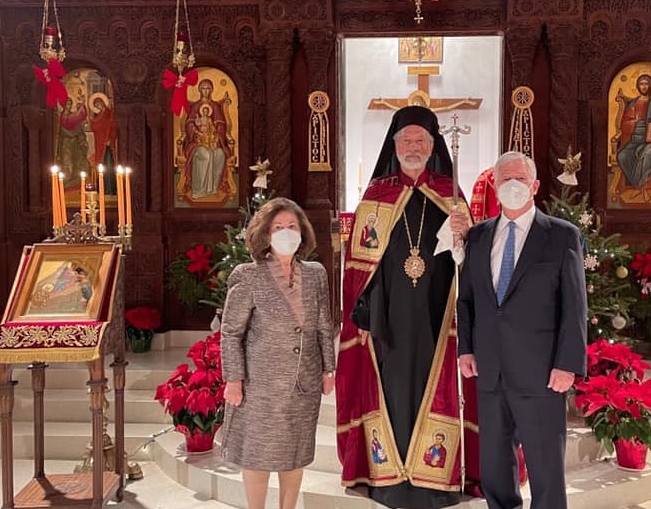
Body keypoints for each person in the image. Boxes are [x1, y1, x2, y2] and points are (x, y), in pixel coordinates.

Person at [336, 105, 475, 509]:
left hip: (438, 316)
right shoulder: (377, 196)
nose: (413, 147)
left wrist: (466, 236)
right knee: (393, 394)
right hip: (389, 319)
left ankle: (437, 482)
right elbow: (358, 268)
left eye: (420, 141)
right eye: (406, 141)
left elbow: (469, 262)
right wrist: (363, 314)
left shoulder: (451, 195)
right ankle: (388, 481)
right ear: (394, 147)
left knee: (438, 390)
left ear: (432, 147)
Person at [457, 151, 587, 509]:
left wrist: (568, 364)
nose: (512, 186)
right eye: (505, 180)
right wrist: (465, 348)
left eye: (519, 179)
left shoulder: (561, 236)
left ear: (535, 186)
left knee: (545, 468)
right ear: (495, 186)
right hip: (491, 371)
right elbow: (466, 299)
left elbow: (575, 306)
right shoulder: (479, 237)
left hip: (542, 373)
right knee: (495, 468)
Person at [219, 197, 336, 509]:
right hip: (261, 386)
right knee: (257, 456)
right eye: (279, 227)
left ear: (303, 232)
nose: (287, 232)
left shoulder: (315, 274)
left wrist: (328, 369)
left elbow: (325, 324)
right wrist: (234, 378)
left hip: (304, 383)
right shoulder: (249, 275)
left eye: (292, 226)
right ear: (265, 234)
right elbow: (231, 332)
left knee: (295, 455)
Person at [616, 74, 651, 198]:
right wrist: (635, 122)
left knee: (650, 152)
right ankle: (640, 185)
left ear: (650, 86)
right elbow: (624, 124)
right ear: (638, 86)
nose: (644, 87)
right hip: (634, 141)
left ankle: (640, 187)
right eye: (641, 84)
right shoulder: (632, 104)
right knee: (622, 156)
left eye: (646, 84)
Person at [179, 79, 229, 201]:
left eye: (208, 88)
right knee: (205, 155)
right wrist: (196, 132)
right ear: (199, 90)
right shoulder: (195, 106)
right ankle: (198, 190)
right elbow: (189, 124)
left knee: (220, 154)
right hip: (197, 142)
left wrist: (217, 137)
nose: (205, 91)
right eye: (203, 88)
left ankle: (213, 188)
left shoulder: (215, 106)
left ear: (211, 90)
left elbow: (221, 124)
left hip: (212, 140)